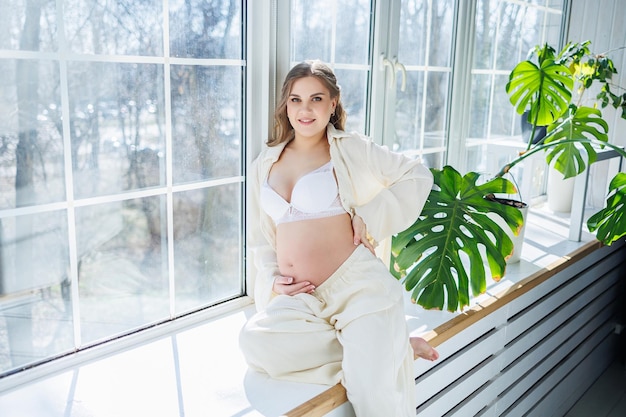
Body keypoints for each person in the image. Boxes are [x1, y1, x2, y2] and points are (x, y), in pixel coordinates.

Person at [239, 60, 438, 417]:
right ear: (286, 105)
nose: (305, 109)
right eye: (296, 99)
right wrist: (273, 282)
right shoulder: (264, 164)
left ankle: (376, 350)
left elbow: (417, 174)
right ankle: (391, 347)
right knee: (256, 342)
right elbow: (260, 239)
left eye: (316, 98)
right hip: (302, 296)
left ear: (333, 103)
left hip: (356, 285)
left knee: (372, 396)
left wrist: (369, 217)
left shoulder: (349, 149)